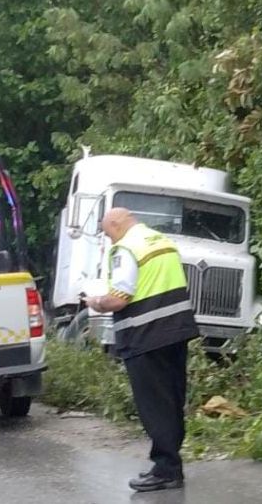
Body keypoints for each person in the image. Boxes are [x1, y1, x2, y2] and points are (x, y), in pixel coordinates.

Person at [85, 207, 199, 492]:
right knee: (172, 400)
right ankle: (172, 464)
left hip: (146, 336)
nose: (110, 240)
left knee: (154, 404)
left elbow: (120, 298)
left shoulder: (125, 248)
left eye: (108, 233)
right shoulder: (161, 241)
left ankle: (166, 469)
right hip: (176, 331)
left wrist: (96, 302)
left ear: (116, 224)